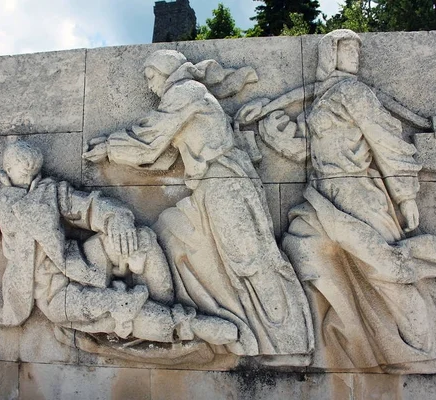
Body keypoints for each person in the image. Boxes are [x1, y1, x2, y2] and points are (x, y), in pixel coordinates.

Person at [237, 29, 436, 373]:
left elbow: (386, 141)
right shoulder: (324, 98)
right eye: (347, 49)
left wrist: (405, 196)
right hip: (322, 196)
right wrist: (278, 138)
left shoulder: (354, 92)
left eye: (357, 49)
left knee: (386, 272)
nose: (355, 55)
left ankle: (421, 349)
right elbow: (314, 154)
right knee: (301, 247)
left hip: (360, 195)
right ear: (330, 54)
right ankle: (333, 342)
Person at [83, 50, 314, 366]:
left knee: (250, 260)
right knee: (171, 232)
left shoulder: (185, 91)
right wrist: (117, 155)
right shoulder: (186, 95)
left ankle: (290, 342)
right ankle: (214, 324)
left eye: (151, 76)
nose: (150, 86)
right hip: (208, 186)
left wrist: (111, 146)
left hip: (223, 181)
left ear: (165, 72)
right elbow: (162, 154)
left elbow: (151, 137)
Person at [0, 141, 238, 361]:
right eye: (23, 166)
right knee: (116, 304)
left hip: (80, 260)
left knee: (141, 239)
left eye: (33, 166)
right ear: (7, 169)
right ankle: (186, 325)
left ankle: (165, 312)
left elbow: (89, 206)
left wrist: (116, 219)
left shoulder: (50, 190)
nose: (30, 170)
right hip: (52, 293)